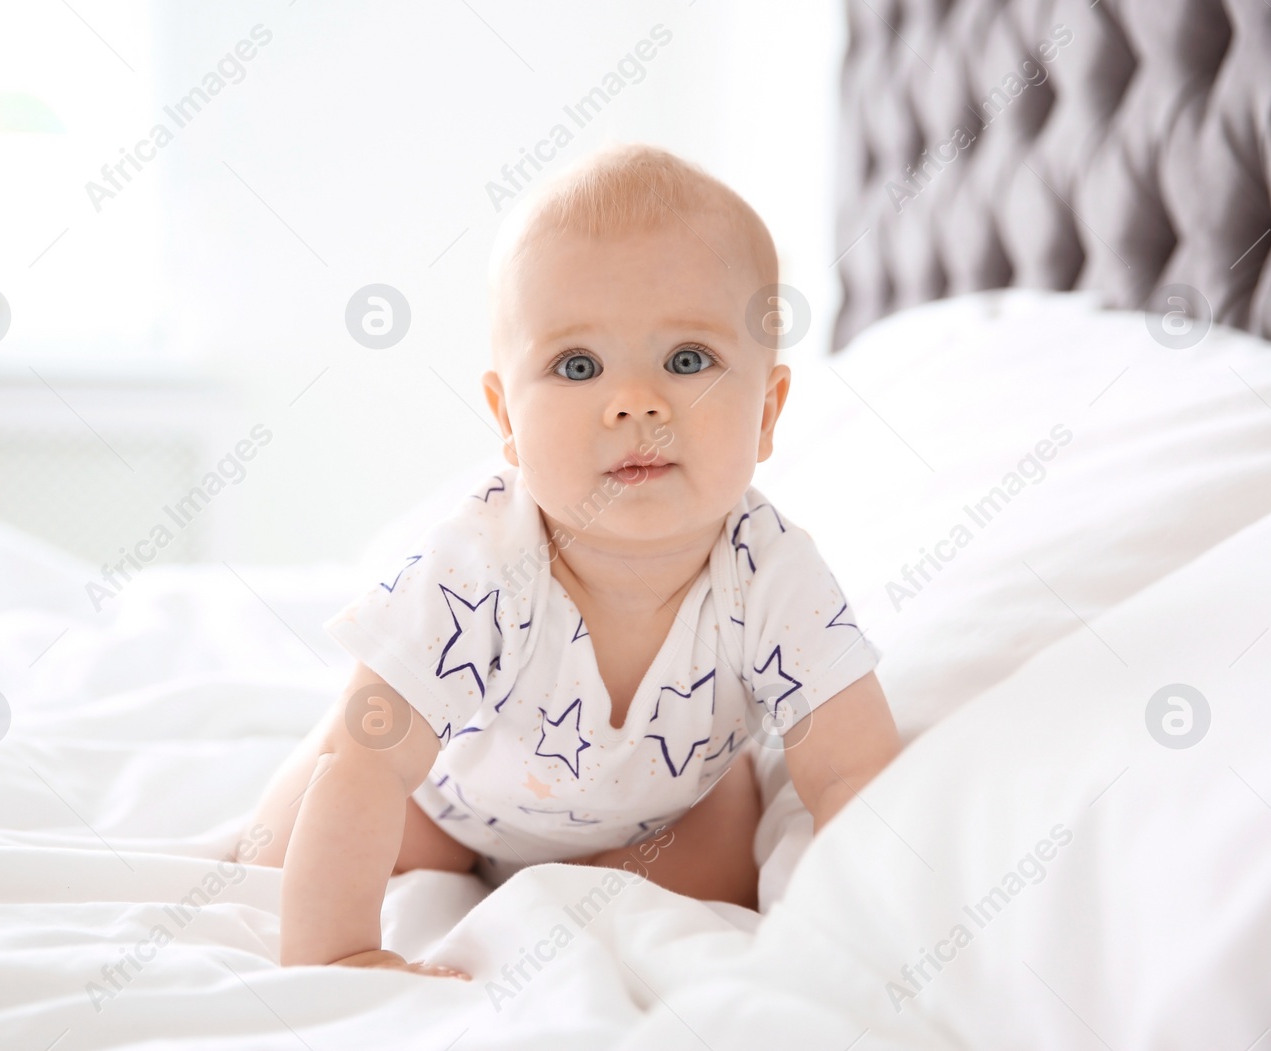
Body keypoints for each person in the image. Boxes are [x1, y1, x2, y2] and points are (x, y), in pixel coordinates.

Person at [241, 142, 902, 981]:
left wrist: (871, 940)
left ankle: (578, 879)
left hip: (660, 814)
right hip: (449, 803)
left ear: (767, 411)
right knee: (292, 830)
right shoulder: (477, 566)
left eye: (688, 360)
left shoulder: (774, 575)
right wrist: (340, 951)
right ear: (507, 419)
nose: (634, 400)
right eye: (578, 365)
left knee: (727, 855)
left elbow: (857, 771)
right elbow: (370, 760)